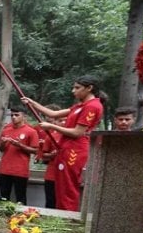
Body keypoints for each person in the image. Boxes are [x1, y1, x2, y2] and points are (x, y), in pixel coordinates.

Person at [21, 75, 105, 211]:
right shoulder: (80, 106)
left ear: (89, 88)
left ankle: (68, 218)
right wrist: (32, 103)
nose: (73, 91)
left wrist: (52, 127)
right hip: (66, 148)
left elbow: (78, 132)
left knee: (68, 188)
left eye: (77, 88)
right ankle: (61, 215)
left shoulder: (93, 106)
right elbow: (54, 114)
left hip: (75, 151)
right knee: (60, 187)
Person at [0, 107, 39, 204]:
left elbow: (35, 150)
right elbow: (1, 149)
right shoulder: (6, 130)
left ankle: (21, 218)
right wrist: (3, 143)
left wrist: (19, 145)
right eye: (12, 115)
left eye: (16, 115)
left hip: (20, 170)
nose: (13, 117)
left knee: (20, 197)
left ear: (23, 116)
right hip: (5, 169)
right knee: (3, 197)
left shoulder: (31, 131)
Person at [41, 116, 66, 208]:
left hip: (66, 176)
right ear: (55, 122)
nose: (63, 123)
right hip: (51, 176)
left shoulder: (73, 137)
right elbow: (43, 156)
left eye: (65, 120)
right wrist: (52, 155)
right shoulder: (51, 136)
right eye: (60, 120)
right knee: (50, 202)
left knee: (63, 203)